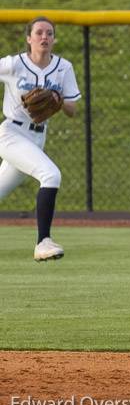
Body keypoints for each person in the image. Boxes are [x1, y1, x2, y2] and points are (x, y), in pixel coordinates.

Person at [0, 17, 81, 262]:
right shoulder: (14, 64)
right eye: (38, 33)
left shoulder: (63, 67)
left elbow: (72, 109)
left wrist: (57, 100)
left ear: (54, 39)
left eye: (49, 33)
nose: (44, 37)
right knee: (51, 174)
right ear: (29, 38)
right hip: (11, 133)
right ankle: (43, 242)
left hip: (37, 137)